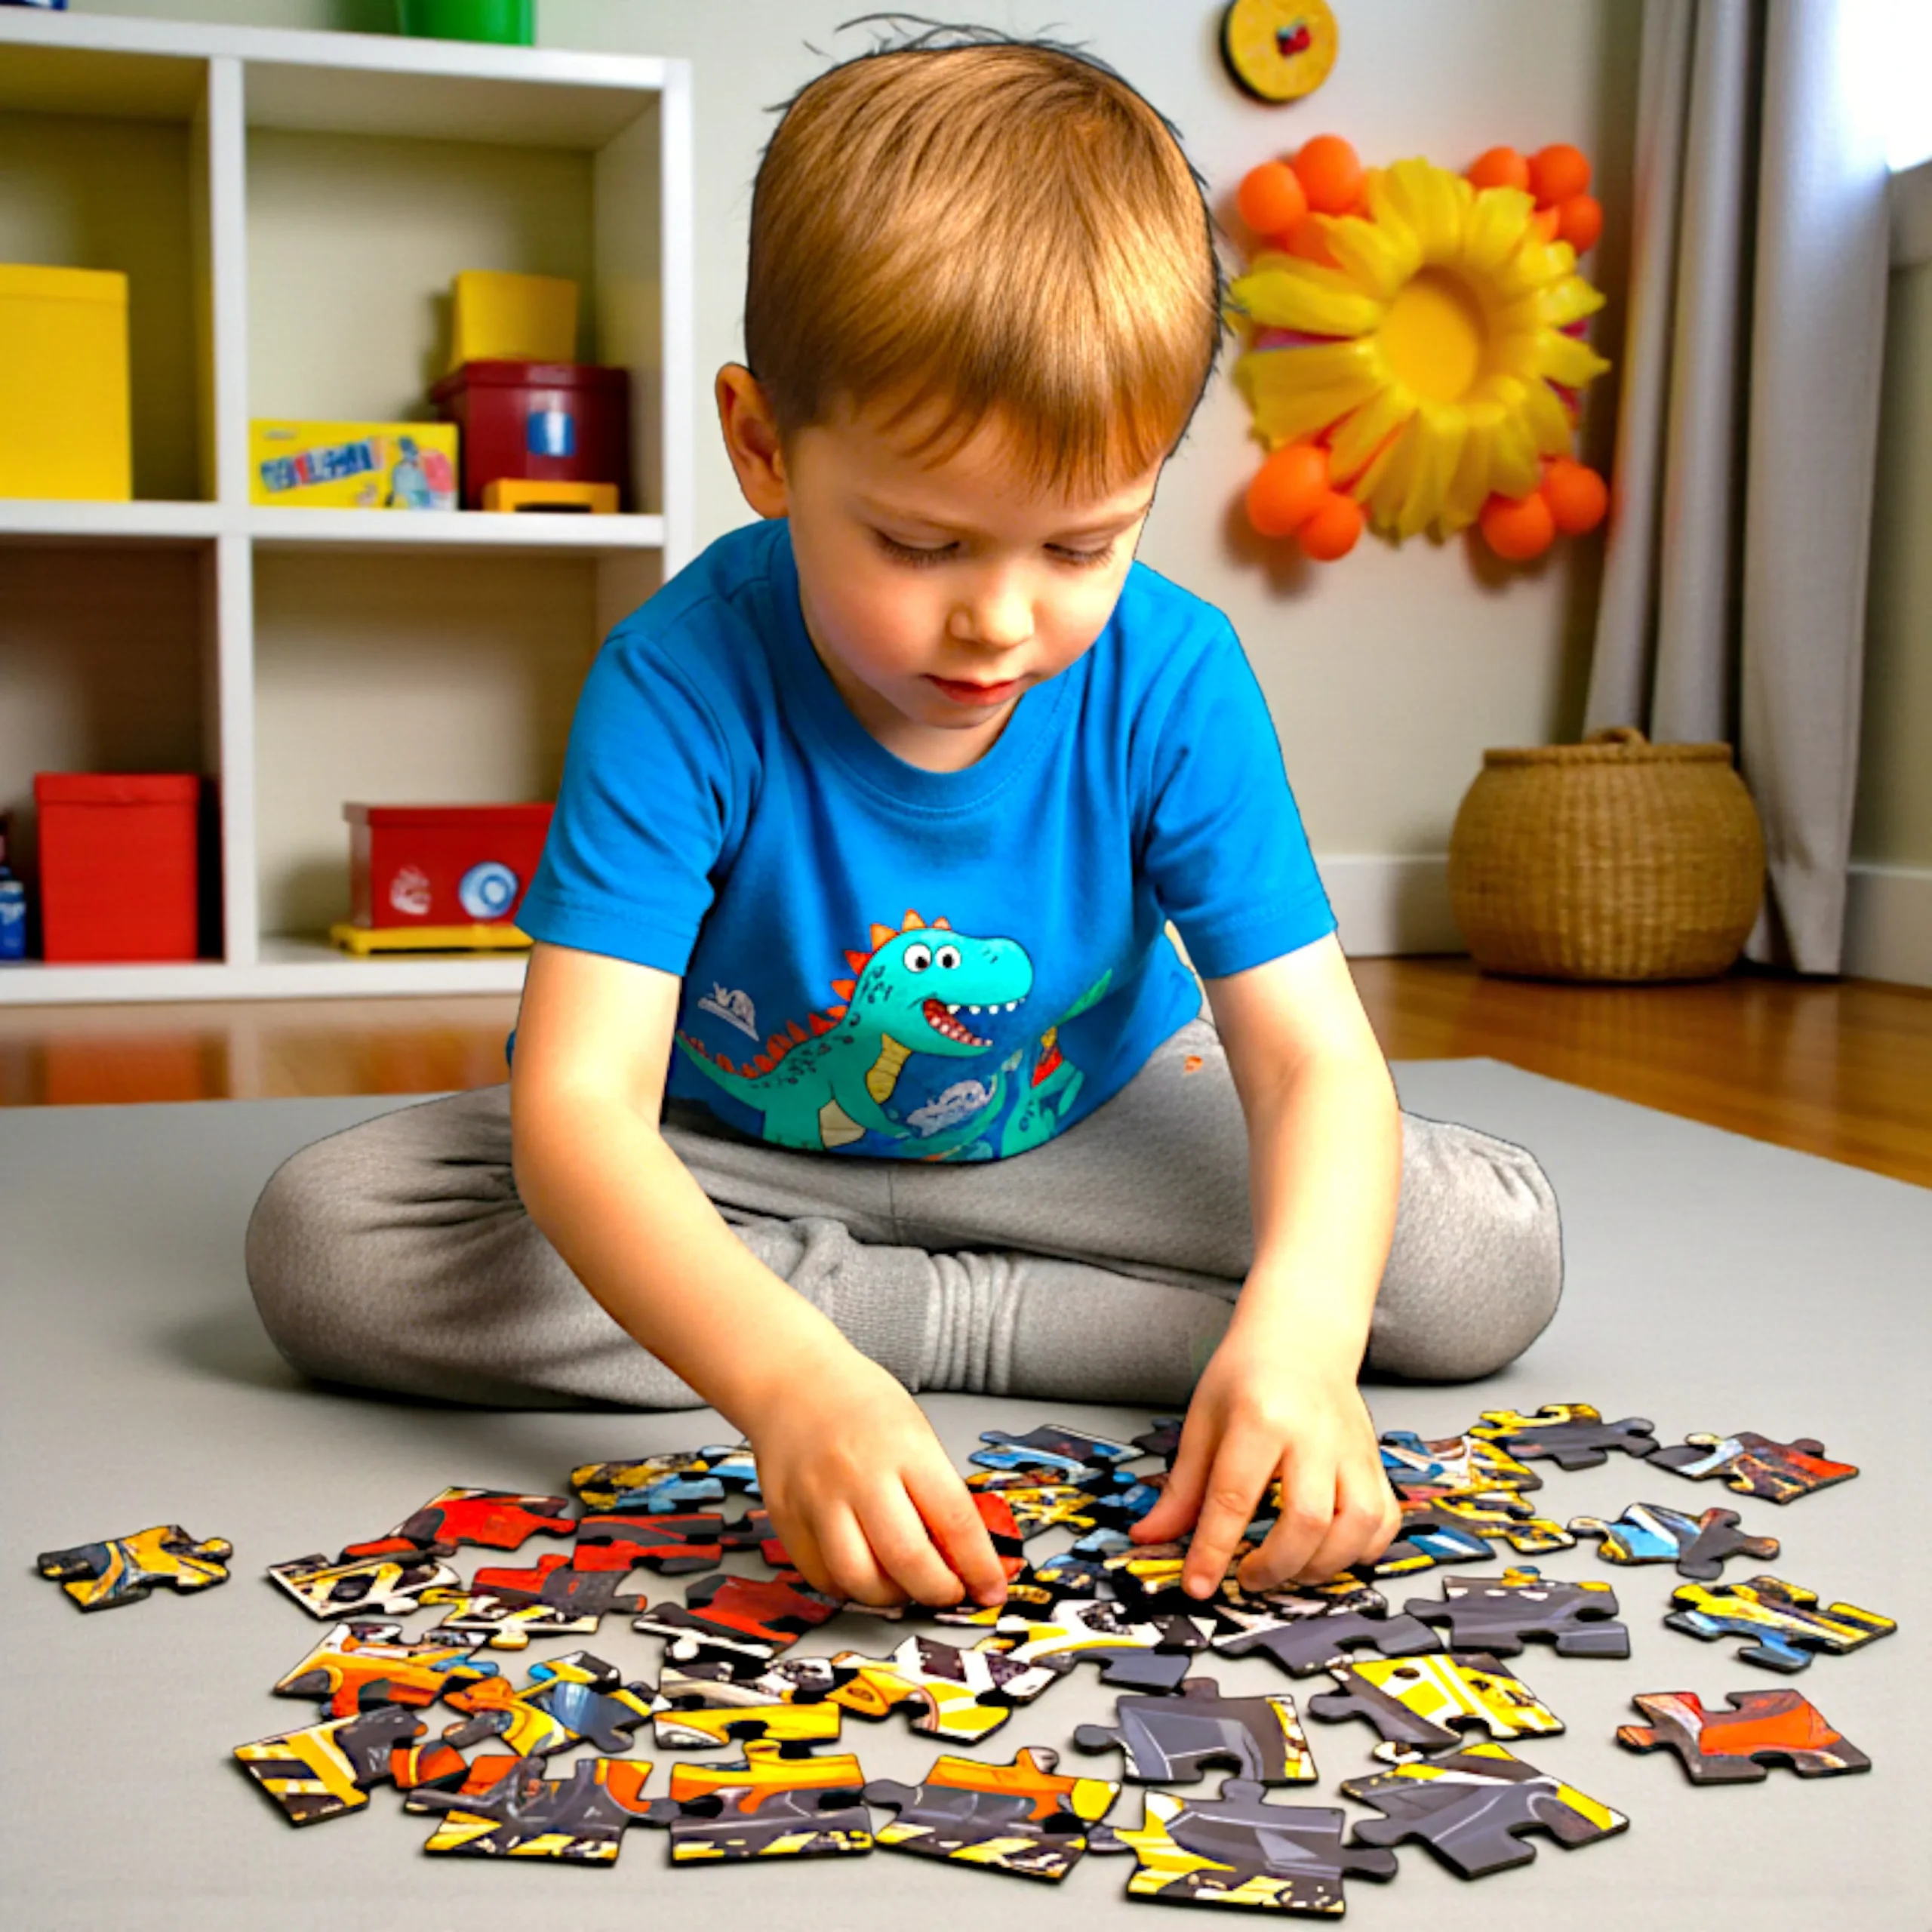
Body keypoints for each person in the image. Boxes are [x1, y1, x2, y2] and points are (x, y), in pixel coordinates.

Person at [246, 28, 1561, 1620]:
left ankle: (1106, 1335)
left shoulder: (1175, 677)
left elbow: (1308, 1060)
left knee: (1475, 1260)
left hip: (1064, 1132)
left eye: (1081, 543)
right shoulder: (674, 679)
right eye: (921, 541)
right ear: (762, 448)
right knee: (329, 1242)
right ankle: (1055, 1336)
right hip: (721, 1153)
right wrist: (795, 1390)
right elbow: (583, 1108)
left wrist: (1294, 1340)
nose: (998, 621)